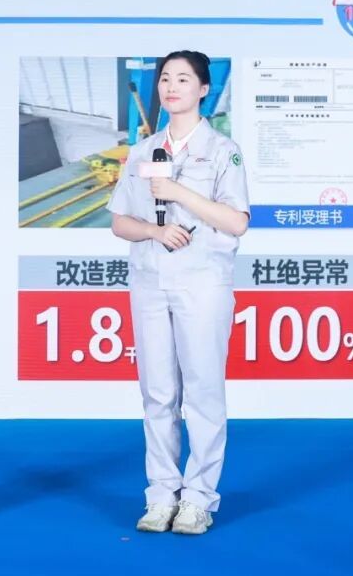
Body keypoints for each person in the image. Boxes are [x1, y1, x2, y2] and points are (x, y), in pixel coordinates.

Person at [107, 50, 250, 535]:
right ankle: (161, 495)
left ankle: (199, 499)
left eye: (183, 79)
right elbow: (120, 222)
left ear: (203, 89)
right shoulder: (143, 152)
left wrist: (179, 192)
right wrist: (154, 230)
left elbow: (236, 221)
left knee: (203, 391)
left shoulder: (222, 150)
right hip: (150, 282)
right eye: (166, 78)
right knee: (158, 393)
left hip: (203, 283)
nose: (171, 87)